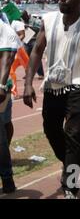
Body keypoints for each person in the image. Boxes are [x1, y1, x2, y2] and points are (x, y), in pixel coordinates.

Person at [23, 0, 80, 199]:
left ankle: (71, 186)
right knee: (51, 130)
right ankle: (69, 163)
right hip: (52, 87)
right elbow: (36, 51)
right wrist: (27, 83)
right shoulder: (48, 20)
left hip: (76, 88)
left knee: (74, 136)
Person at [0, 19, 21, 194]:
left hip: (1, 88)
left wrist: (0, 86)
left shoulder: (5, 30)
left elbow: (7, 59)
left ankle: (7, 179)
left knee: (1, 134)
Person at [9, 16, 29, 98]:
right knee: (11, 71)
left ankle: (26, 89)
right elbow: (22, 35)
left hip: (17, 50)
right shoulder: (15, 23)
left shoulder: (15, 23)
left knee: (28, 68)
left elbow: (22, 35)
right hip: (13, 50)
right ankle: (14, 92)